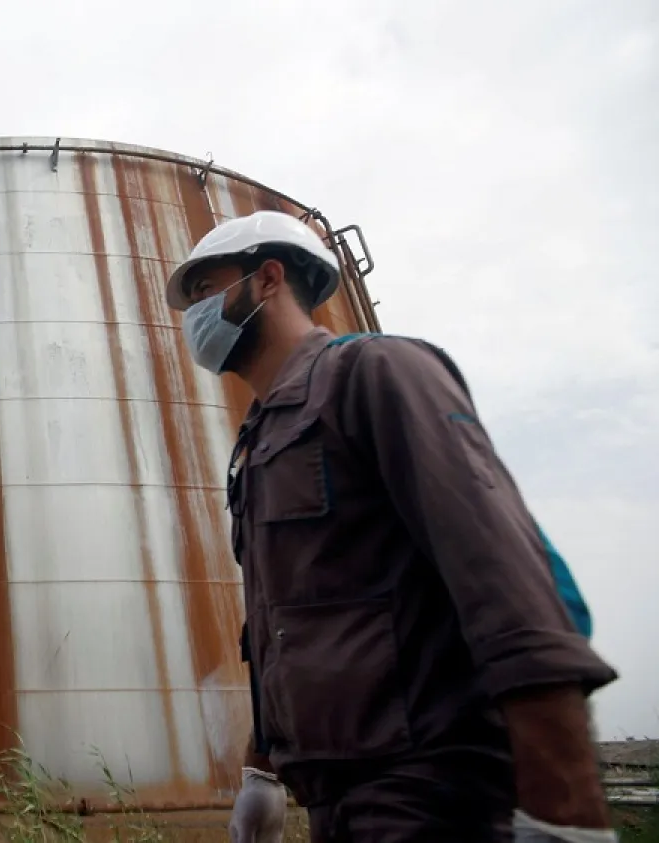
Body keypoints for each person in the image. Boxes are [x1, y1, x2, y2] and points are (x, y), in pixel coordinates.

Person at [164, 211, 617, 843]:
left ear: (267, 278)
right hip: (342, 802)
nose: (195, 315)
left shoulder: (375, 374)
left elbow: (509, 586)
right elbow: (285, 626)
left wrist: (565, 812)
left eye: (205, 290)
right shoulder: (261, 441)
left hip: (432, 792)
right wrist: (261, 772)